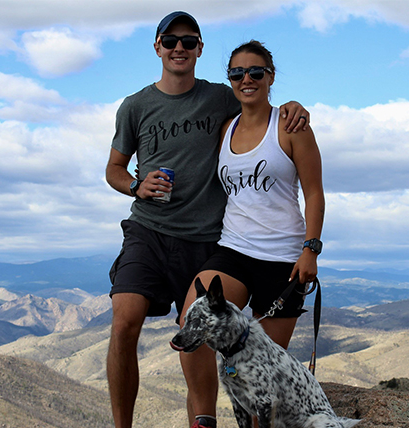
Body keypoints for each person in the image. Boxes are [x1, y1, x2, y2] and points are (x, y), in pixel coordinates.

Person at [104, 12, 310, 428]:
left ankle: (203, 419)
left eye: (188, 41)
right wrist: (135, 187)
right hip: (149, 230)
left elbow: (259, 100)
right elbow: (114, 168)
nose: (179, 47)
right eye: (170, 40)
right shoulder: (135, 106)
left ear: (199, 48)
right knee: (125, 321)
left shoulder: (221, 97)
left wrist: (292, 105)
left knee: (200, 330)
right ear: (157, 46)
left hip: (206, 239)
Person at [177, 40, 325, 428]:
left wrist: (310, 249)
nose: (247, 79)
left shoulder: (292, 127)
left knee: (262, 378)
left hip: (283, 259)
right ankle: (204, 419)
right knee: (190, 320)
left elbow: (314, 193)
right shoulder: (226, 128)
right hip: (234, 250)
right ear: (229, 80)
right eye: (237, 73)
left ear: (270, 77)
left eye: (256, 72)